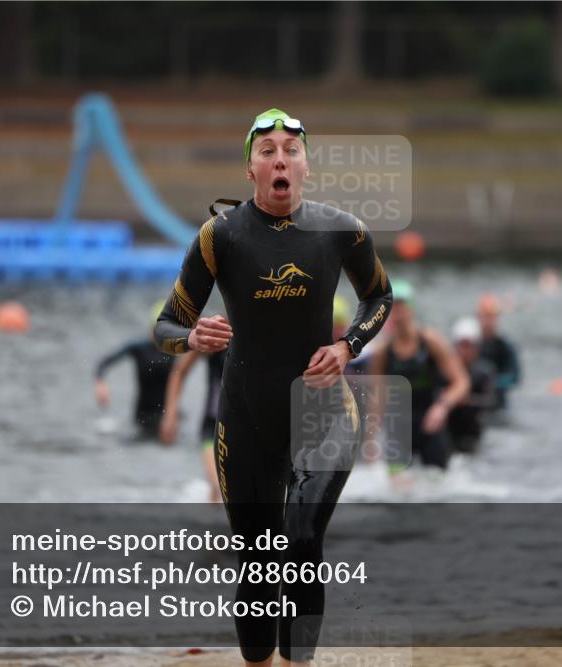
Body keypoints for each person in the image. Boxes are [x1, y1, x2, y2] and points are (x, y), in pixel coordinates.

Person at [153, 108, 393, 666]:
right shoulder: (221, 236)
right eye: (267, 151)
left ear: (306, 165)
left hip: (324, 412)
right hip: (247, 416)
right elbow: (163, 327)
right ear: (251, 170)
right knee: (258, 561)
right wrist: (192, 339)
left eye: (291, 150)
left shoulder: (340, 230)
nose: (280, 159)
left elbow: (379, 298)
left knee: (302, 543)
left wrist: (346, 346)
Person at [367, 280, 469, 471]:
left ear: (411, 309)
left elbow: (462, 382)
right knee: (396, 490)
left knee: (435, 483)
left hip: (430, 422)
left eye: (401, 305)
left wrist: (442, 407)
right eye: (392, 307)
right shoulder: (382, 352)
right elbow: (377, 397)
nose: (397, 312)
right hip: (398, 429)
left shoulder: (430, 342)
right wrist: (371, 437)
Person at [94, 301, 175, 439]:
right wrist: (100, 382)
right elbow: (104, 363)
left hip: (168, 418)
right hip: (141, 418)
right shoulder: (139, 348)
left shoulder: (175, 350)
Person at [159, 346, 227, 502]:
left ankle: (214, 519)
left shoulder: (256, 336)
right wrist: (170, 413)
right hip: (213, 425)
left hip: (246, 428)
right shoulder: (217, 334)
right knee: (218, 484)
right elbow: (179, 372)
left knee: (228, 490)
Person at [447, 317, 494, 454]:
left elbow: (491, 401)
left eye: (469, 346)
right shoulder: (446, 371)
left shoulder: (484, 372)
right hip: (451, 429)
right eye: (462, 345)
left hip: (473, 431)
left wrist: (467, 401)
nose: (465, 351)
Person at [477, 293, 521, 411]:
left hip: (497, 400)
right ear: (478, 317)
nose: (488, 321)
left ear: (497, 318)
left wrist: (494, 382)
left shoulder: (505, 346)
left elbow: (515, 377)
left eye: (491, 316)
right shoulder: (470, 345)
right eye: (484, 316)